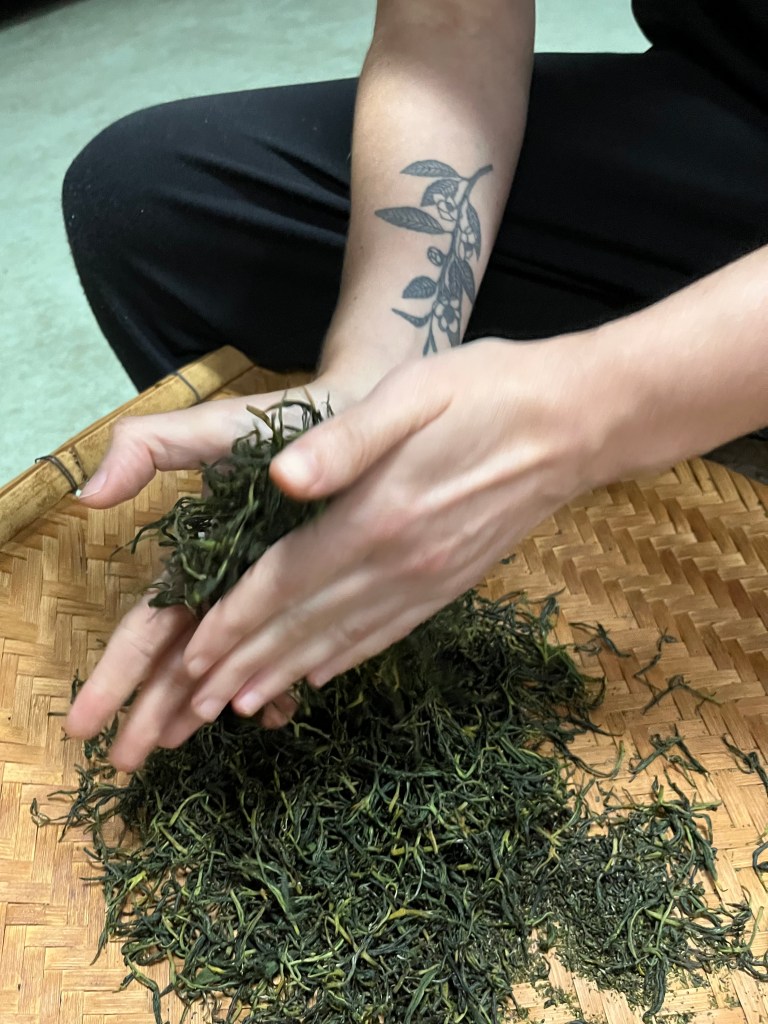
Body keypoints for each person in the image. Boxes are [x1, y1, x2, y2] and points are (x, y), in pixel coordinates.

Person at [63, 0, 768, 771]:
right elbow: (451, 22)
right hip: (731, 120)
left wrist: (584, 408)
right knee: (150, 202)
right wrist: (375, 378)